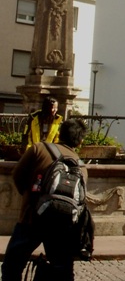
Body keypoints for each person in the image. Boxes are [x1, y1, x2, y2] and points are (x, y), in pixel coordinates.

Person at [2, 118, 89, 281]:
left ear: (60, 133)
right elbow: (81, 200)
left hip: (31, 218)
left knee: (12, 266)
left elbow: (17, 175)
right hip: (62, 224)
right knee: (62, 269)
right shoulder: (81, 166)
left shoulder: (38, 149)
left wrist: (30, 199)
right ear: (80, 142)